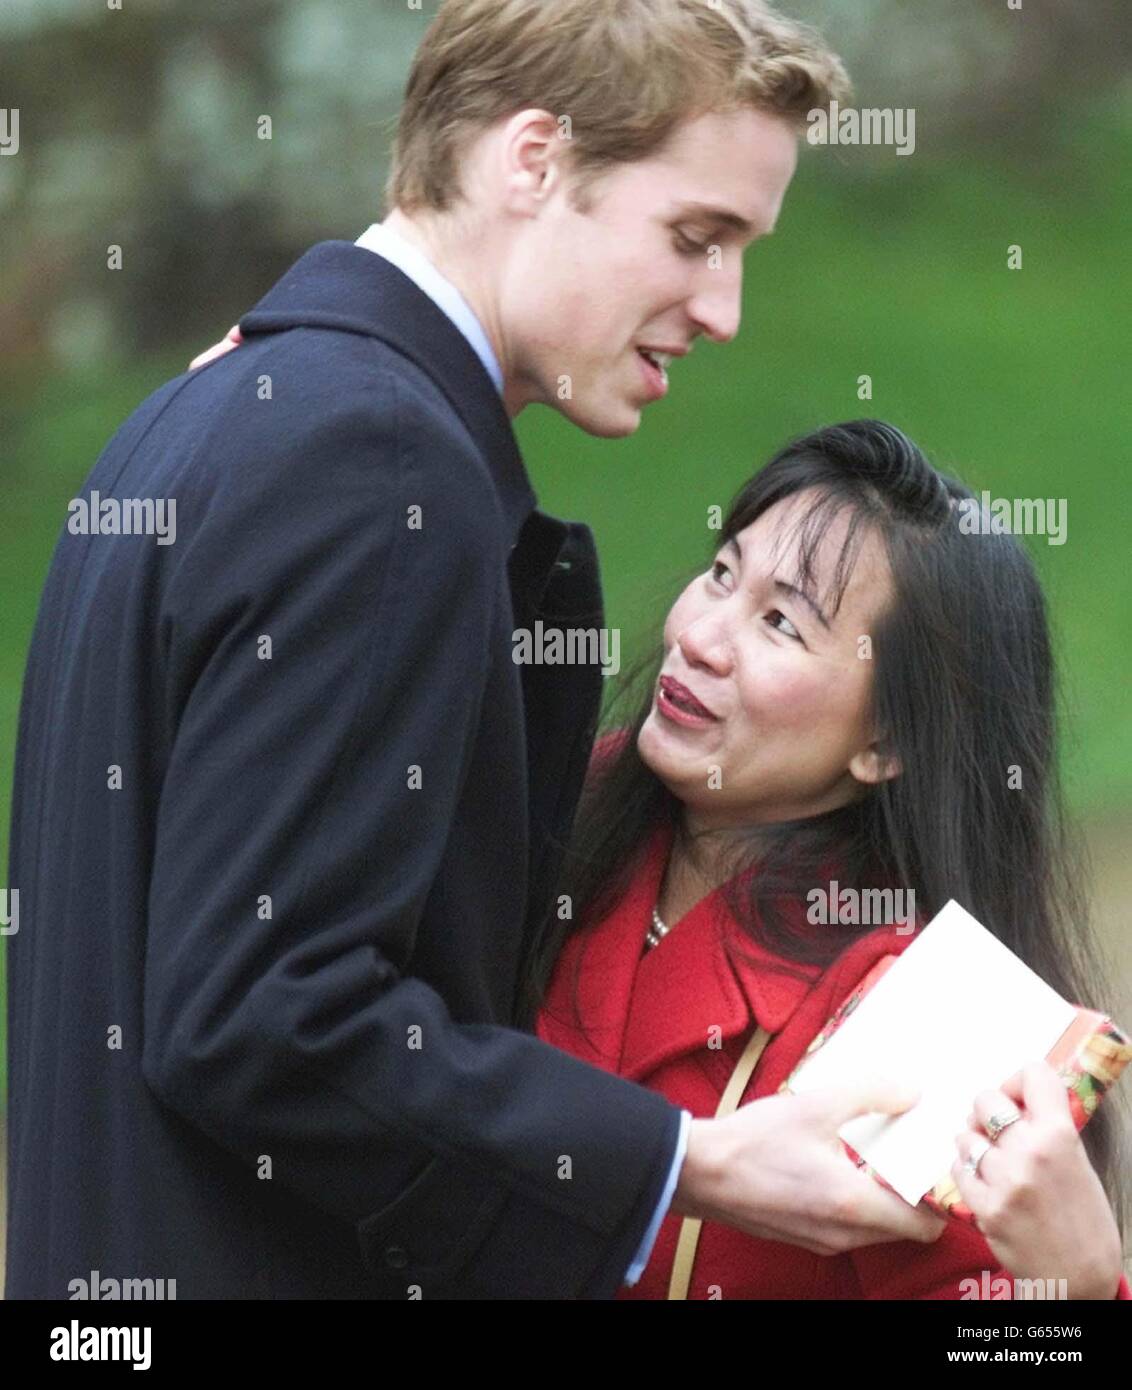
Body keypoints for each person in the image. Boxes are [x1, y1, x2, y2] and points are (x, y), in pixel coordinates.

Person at [4, 1, 948, 1301]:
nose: (723, 308)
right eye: (695, 236)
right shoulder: (378, 465)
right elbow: (267, 1014)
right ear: (533, 160)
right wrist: (687, 1156)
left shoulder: (214, 408)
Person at [536, 420, 1131, 1299]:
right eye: (723, 573)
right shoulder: (542, 806)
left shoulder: (926, 1023)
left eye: (780, 622)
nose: (700, 634)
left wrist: (1078, 1287)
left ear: (886, 742)